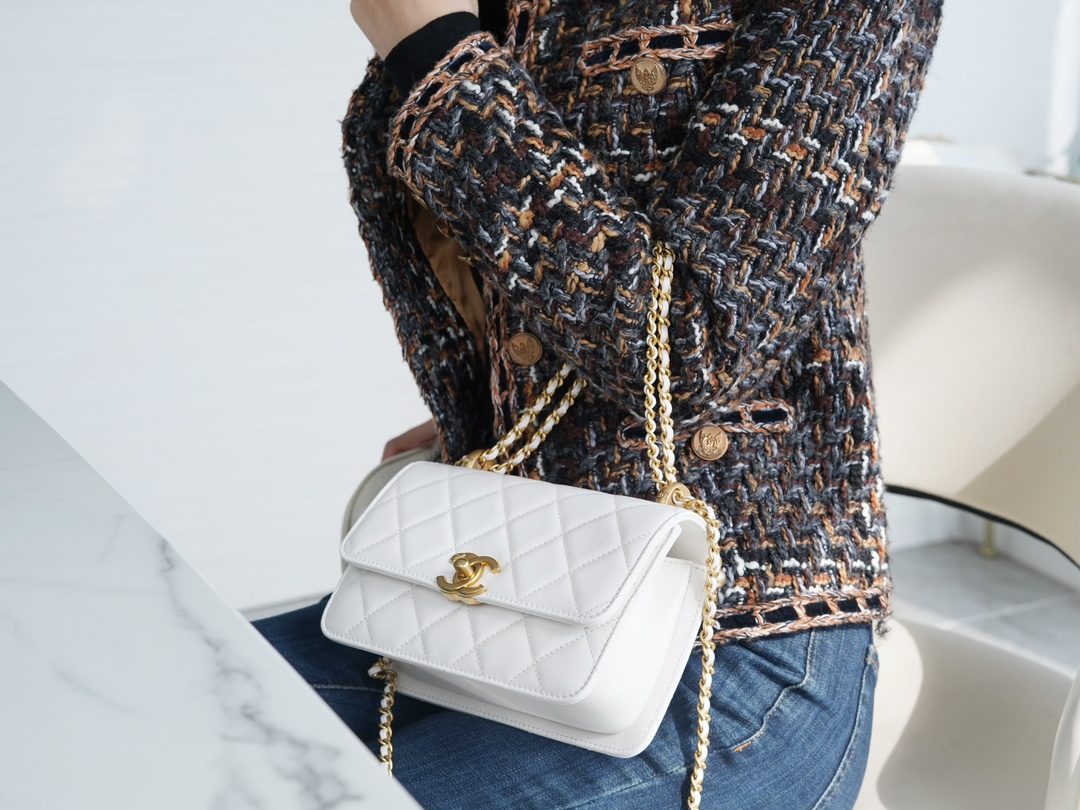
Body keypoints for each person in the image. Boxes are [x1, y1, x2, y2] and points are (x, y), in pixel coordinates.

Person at [254, 0, 944, 807]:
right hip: (515, 576)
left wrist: (434, 54)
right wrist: (509, 414)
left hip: (736, 638)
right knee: (168, 692)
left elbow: (689, 343)